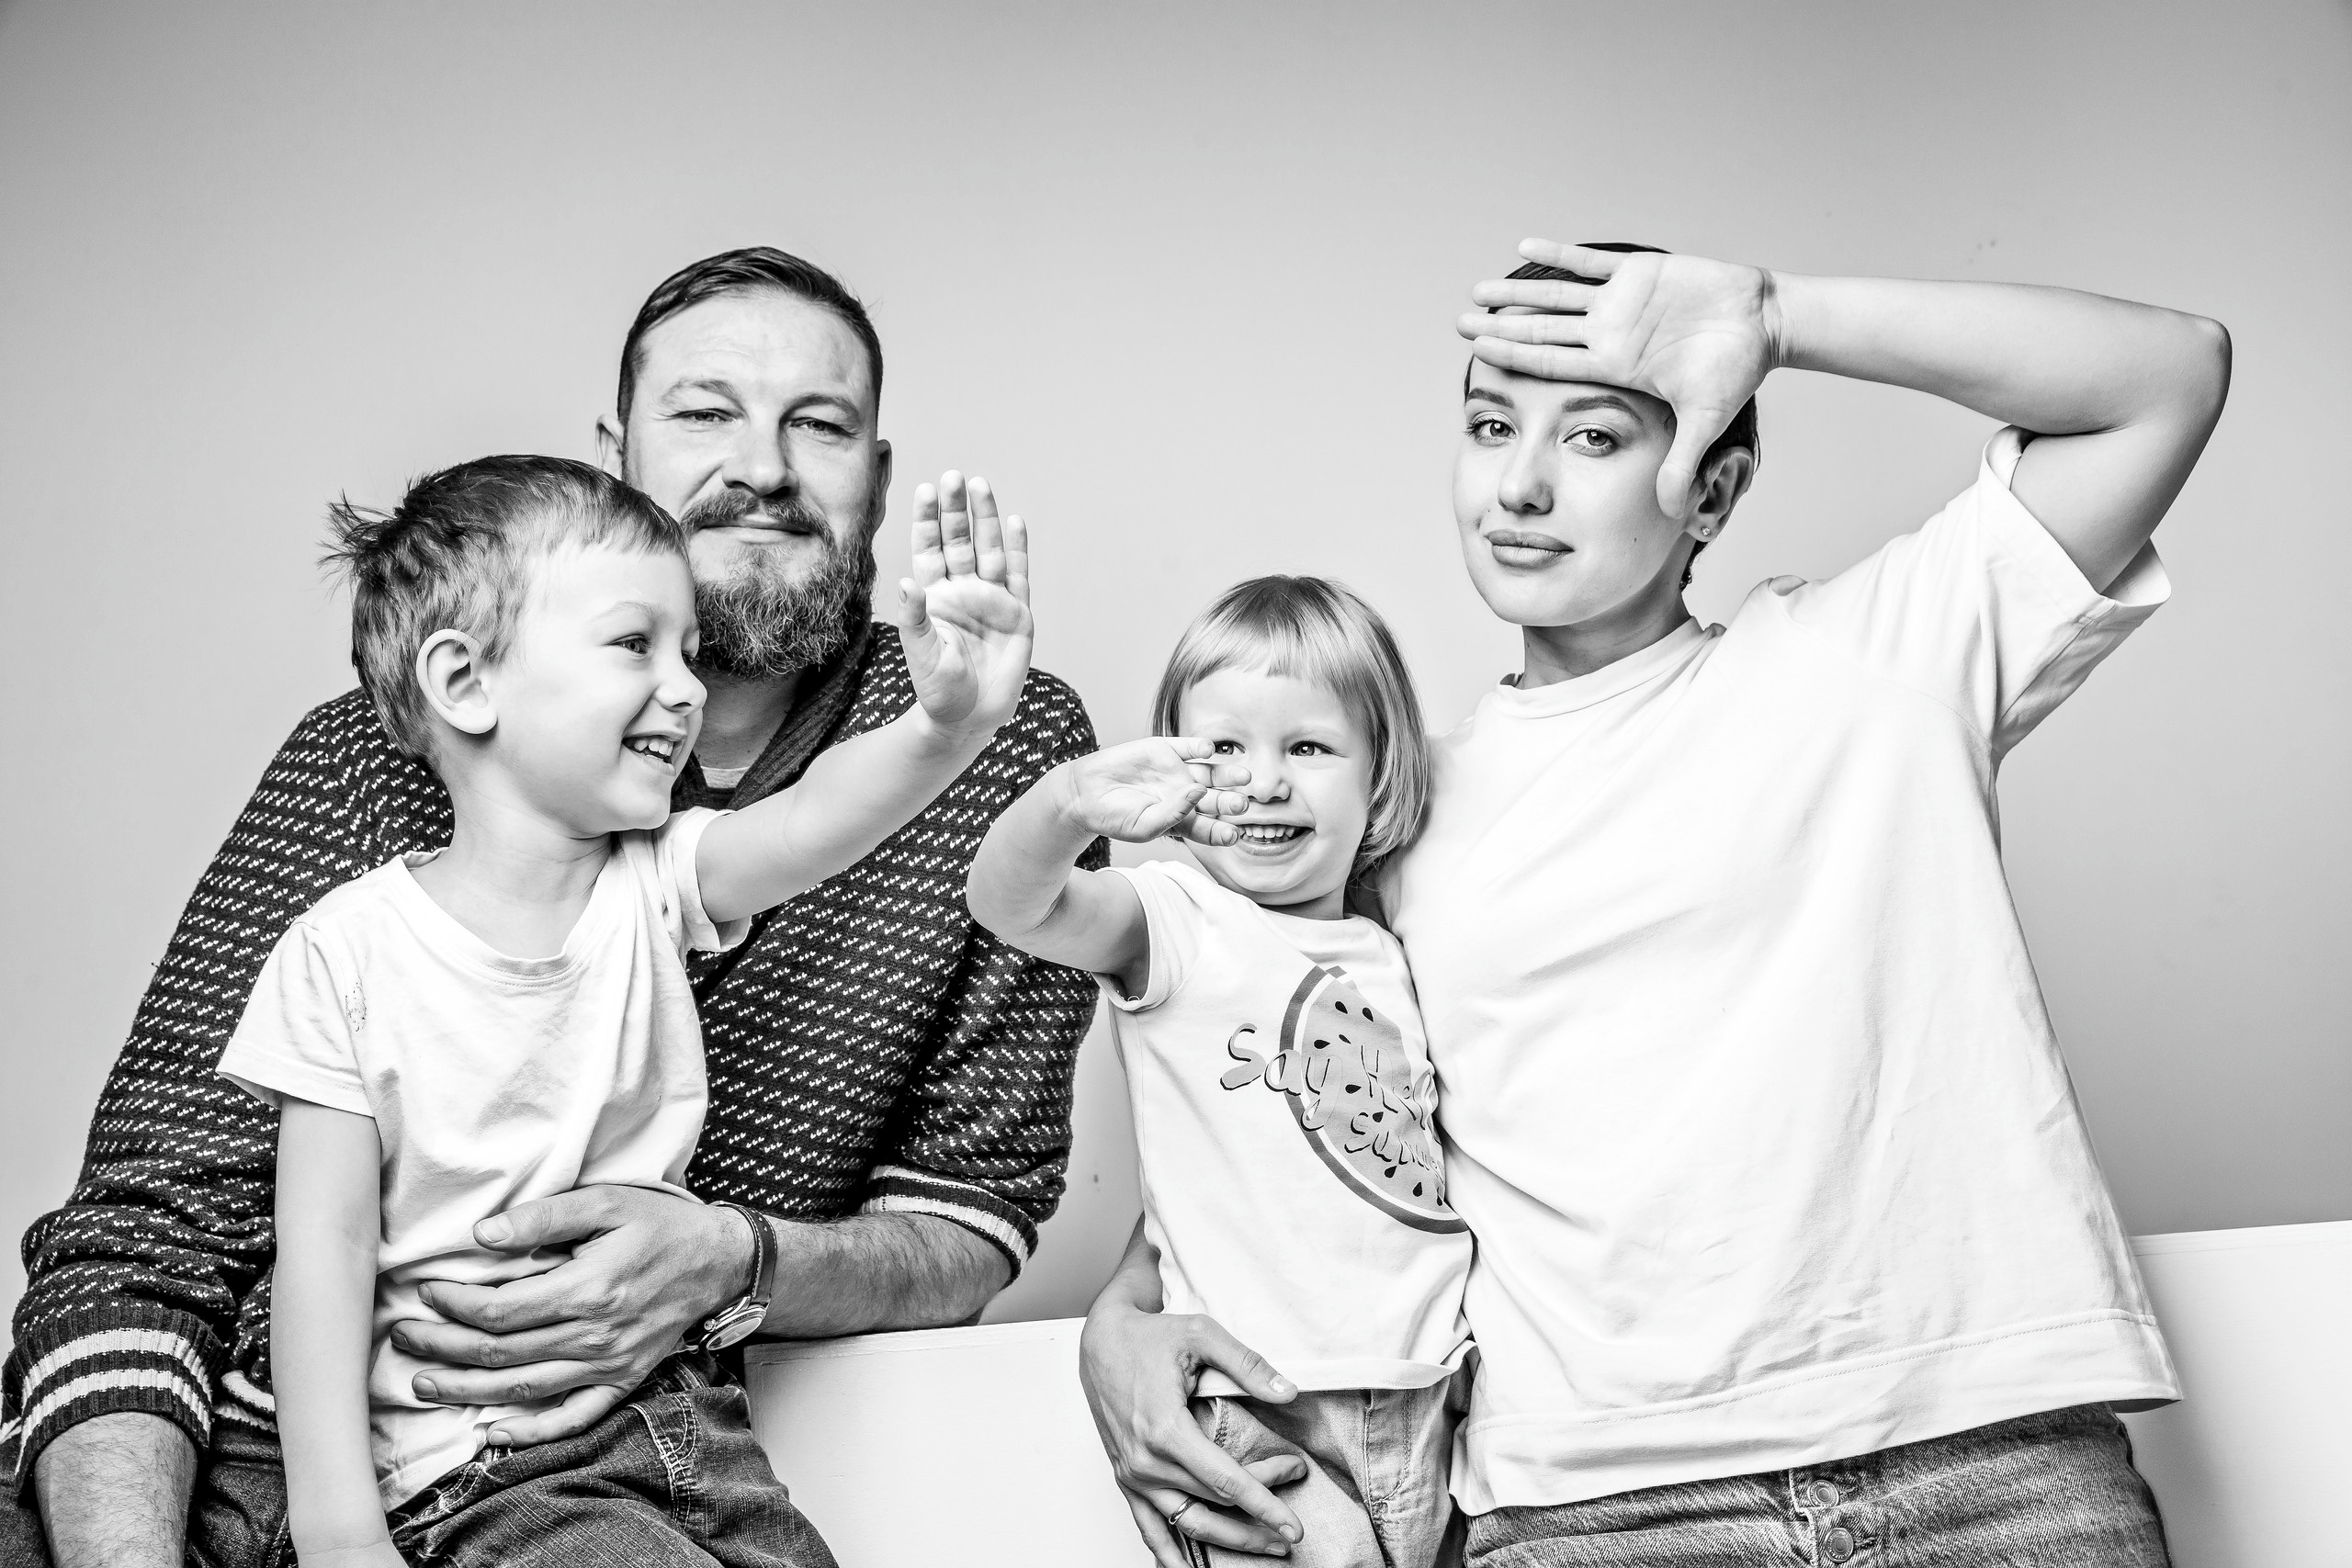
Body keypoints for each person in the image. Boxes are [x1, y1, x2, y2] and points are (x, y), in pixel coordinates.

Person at [1081, 240, 2230, 1567]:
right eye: (1491, 424)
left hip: (1981, 1460)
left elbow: (2171, 375)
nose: (1520, 481)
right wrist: (1124, 1308)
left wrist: (1780, 317)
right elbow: (1286, 1101)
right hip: (1596, 1507)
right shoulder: (1389, 809)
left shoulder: (1878, 662)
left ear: (1715, 490)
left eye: (1599, 434)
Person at [1, 249, 1104, 1568]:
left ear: (876, 465)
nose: (764, 464)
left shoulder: (975, 750)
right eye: (706, 411)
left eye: (820, 422)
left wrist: (729, 1257)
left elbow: (971, 1212)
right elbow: (154, 1221)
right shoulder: (364, 768)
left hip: (624, 1446)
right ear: (611, 454)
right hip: (288, 1441)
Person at [969, 576, 1474, 1568]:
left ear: (1381, 774)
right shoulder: (1174, 921)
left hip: (1432, 1401)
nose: (1266, 782)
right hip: (1259, 1405)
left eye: (1309, 747)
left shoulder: (1397, 950)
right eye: (1223, 750)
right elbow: (1009, 902)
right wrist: (1071, 802)